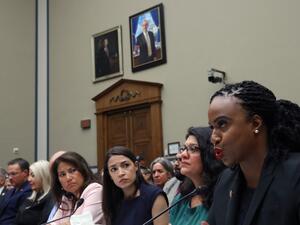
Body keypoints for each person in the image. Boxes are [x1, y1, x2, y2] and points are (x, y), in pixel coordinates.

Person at [202, 80, 300, 225]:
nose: (213, 138)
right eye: (212, 127)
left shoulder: (296, 173)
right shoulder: (225, 180)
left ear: (255, 123)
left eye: (222, 124)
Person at [170, 127, 225, 225]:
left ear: (209, 154)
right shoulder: (179, 199)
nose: (183, 155)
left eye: (193, 149)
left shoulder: (223, 197)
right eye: (184, 148)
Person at [102, 146, 169, 225]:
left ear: (136, 166)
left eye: (126, 165)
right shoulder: (111, 199)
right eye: (114, 169)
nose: (120, 173)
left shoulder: (155, 196)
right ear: (109, 175)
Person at [50, 151, 104, 225]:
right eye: (62, 174)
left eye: (72, 171)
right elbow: (52, 223)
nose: (68, 178)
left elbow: (85, 222)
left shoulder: (95, 189)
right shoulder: (67, 198)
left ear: (83, 170)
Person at [15, 160, 54, 225]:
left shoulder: (51, 198)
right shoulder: (32, 196)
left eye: (33, 175)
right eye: (29, 175)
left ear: (43, 177)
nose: (29, 179)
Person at [0, 158, 32, 225]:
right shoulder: (12, 190)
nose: (10, 178)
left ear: (25, 173)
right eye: (8, 174)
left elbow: (20, 220)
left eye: (13, 174)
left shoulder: (29, 191)